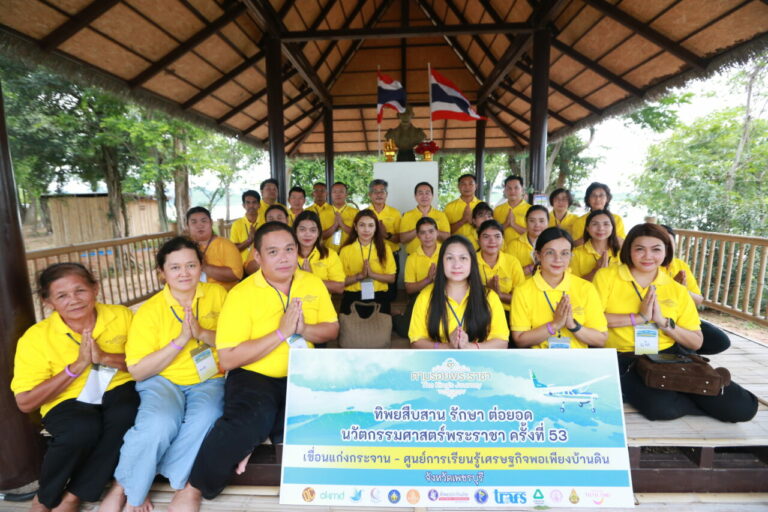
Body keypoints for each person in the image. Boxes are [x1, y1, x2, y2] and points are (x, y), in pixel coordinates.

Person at [186, 222, 339, 505]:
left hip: (304, 372)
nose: (284, 258)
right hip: (254, 375)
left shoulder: (312, 283)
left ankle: (263, 443)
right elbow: (229, 357)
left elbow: (332, 329)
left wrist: (302, 329)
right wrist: (281, 333)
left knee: (322, 419)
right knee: (247, 422)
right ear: (257, 256)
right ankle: (194, 488)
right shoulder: (241, 294)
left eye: (289, 249)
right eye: (273, 251)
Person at [593, 224, 757, 422]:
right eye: (639, 249)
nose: (647, 256)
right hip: (623, 358)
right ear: (628, 250)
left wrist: (663, 323)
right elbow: (593, 320)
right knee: (661, 408)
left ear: (666, 252)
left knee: (742, 408)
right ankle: (694, 397)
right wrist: (639, 318)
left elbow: (696, 342)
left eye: (656, 249)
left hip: (669, 357)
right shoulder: (607, 276)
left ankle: (694, 394)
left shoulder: (676, 289)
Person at [110, 237, 228, 512]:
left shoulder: (217, 295)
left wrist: (201, 334)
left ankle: (163, 474)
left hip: (208, 378)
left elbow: (233, 341)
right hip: (162, 379)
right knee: (159, 423)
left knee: (207, 417)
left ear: (201, 266)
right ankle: (134, 491)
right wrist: (180, 341)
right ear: (162, 272)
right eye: (175, 268)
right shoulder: (149, 311)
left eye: (190, 265)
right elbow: (138, 370)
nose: (184, 273)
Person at [11, 263, 138, 512]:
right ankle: (45, 498)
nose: (74, 300)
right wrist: (76, 367)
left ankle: (73, 496)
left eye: (80, 290)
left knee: (126, 416)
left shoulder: (121, 316)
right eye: (62, 295)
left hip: (117, 384)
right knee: (82, 429)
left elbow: (146, 363)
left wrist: (105, 357)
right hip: (65, 397)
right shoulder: (36, 337)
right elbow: (25, 402)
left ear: (95, 288)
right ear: (48, 302)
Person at [510, 228, 607, 349]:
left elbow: (601, 339)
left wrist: (572, 325)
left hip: (577, 362)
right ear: (538, 255)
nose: (558, 259)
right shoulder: (522, 290)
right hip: (540, 362)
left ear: (571, 256)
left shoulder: (586, 288)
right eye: (550, 252)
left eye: (565, 253)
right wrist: (554, 325)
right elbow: (520, 340)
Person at [409, 235, 509, 349]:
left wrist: (469, 347)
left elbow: (502, 342)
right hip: (438, 363)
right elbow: (416, 342)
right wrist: (448, 346)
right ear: (441, 262)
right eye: (450, 258)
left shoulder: (489, 297)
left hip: (478, 364)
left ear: (472, 262)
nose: (456, 265)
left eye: (463, 258)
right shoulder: (425, 296)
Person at [660, 224, 730, 355]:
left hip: (682, 318)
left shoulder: (680, 265)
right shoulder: (647, 265)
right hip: (658, 319)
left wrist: (681, 290)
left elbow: (698, 300)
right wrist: (671, 288)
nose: (666, 248)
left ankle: (685, 353)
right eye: (661, 244)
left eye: (670, 243)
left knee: (720, 341)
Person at [339, 209, 396, 315]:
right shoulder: (345, 250)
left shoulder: (385, 248)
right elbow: (340, 281)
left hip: (379, 297)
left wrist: (371, 275)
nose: (366, 230)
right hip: (353, 297)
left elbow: (391, 278)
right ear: (355, 227)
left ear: (376, 228)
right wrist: (359, 276)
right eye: (362, 225)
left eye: (371, 225)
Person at [395, 217, 441, 337]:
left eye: (431, 231)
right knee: (406, 332)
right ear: (418, 236)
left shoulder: (447, 252)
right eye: (423, 232)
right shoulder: (412, 258)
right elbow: (409, 289)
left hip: (444, 295)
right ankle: (396, 315)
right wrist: (428, 279)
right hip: (420, 296)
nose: (427, 236)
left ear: (437, 232)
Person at [187, 206, 243, 291]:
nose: (199, 225)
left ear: (211, 223)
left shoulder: (226, 245)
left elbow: (236, 275)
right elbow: (163, 277)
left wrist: (204, 267)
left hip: (222, 297)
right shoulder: (183, 248)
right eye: (194, 222)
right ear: (187, 226)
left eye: (204, 221)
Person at [476, 220, 525, 313]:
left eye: (497, 236)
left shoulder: (512, 262)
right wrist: (486, 291)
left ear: (503, 240)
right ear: (478, 240)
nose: (492, 241)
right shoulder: (470, 261)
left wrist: (500, 295)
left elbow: (522, 299)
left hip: (507, 313)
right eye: (486, 237)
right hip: (477, 313)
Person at [294, 210, 345, 295]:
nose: (308, 234)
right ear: (295, 232)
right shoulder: (286, 254)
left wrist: (311, 277)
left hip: (320, 306)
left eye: (313, 230)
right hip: (291, 306)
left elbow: (339, 287)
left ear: (318, 233)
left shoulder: (329, 254)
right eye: (302, 229)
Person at [366, 179, 401, 300]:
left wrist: (386, 235)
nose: (379, 194)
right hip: (369, 255)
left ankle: (387, 318)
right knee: (369, 291)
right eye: (375, 191)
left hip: (391, 255)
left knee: (390, 293)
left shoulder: (395, 213)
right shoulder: (365, 213)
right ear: (370, 195)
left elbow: (400, 239)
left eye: (382, 191)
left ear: (387, 195)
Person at [399, 181, 450, 254]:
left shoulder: (441, 215)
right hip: (414, 257)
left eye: (427, 193)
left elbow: (447, 238)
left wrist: (432, 229)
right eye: (420, 193)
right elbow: (403, 240)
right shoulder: (407, 215)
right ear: (415, 196)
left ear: (432, 196)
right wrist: (419, 227)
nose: (424, 196)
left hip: (437, 257)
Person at [569, 209, 621, 281]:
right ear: (587, 228)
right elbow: (573, 285)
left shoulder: (621, 253)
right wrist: (595, 271)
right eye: (595, 224)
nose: (601, 228)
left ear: (613, 227)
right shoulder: (576, 254)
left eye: (606, 224)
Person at [505, 205, 549, 277]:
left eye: (541, 221)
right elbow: (508, 274)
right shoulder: (514, 245)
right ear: (526, 222)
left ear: (548, 223)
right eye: (532, 221)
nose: (537, 225)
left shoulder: (555, 245)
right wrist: (533, 266)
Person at [324, 181, 359, 253]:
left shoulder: (356, 213)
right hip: (328, 253)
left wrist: (342, 224)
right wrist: (335, 226)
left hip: (350, 252)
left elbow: (359, 234)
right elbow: (319, 236)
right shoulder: (323, 213)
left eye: (341, 191)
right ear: (330, 194)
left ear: (346, 194)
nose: (338, 194)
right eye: (335, 192)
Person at [444, 174, 482, 239]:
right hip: (456, 245)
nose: (467, 187)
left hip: (478, 246)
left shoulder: (482, 205)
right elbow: (445, 231)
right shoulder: (449, 207)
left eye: (470, 184)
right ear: (458, 187)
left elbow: (487, 229)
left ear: (476, 186)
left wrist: (472, 222)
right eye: (463, 184)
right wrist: (463, 220)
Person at [493, 175, 530, 240]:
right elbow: (492, 232)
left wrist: (514, 224)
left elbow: (534, 234)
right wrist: (506, 224)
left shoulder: (530, 210)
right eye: (509, 188)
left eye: (516, 188)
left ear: (522, 189)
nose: (512, 191)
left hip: (524, 249)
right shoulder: (497, 210)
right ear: (505, 190)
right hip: (502, 249)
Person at [228, 190, 261, 262]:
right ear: (243, 205)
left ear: (259, 205)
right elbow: (233, 249)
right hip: (242, 265)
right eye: (248, 203)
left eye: (254, 202)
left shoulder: (265, 222)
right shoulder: (236, 224)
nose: (251, 206)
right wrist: (249, 240)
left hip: (262, 264)